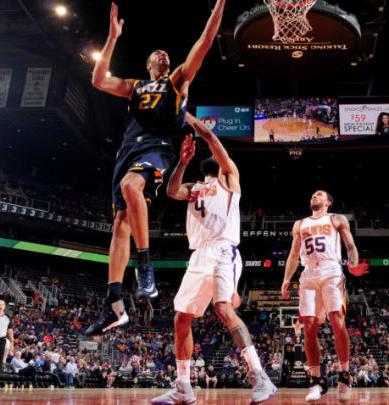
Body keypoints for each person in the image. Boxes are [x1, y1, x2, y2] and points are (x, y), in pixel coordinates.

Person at [86, 0, 226, 336]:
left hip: (157, 148)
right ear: (149, 64)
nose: (163, 54)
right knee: (120, 223)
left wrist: (219, 4)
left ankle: (145, 265)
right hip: (127, 151)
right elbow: (98, 79)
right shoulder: (135, 86)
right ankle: (115, 303)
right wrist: (113, 37)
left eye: (166, 53)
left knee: (131, 188)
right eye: (157, 53)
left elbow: (205, 42)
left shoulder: (177, 81)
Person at [156, 113, 276, 404]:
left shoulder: (229, 179)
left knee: (223, 308)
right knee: (182, 318)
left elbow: (209, 137)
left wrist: (182, 111)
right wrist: (182, 161)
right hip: (198, 255)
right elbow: (172, 190)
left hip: (223, 250)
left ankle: (261, 377)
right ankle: (183, 386)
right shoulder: (195, 188)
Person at [281, 190, 370, 402]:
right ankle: (316, 381)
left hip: (331, 271)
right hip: (308, 274)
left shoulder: (336, 219)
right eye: (312, 194)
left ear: (328, 202)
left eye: (319, 194)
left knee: (337, 322)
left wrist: (354, 265)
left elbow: (350, 246)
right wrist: (286, 279)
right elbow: (294, 254)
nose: (314, 196)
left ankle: (344, 375)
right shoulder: (299, 223)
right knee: (309, 327)